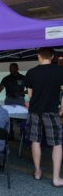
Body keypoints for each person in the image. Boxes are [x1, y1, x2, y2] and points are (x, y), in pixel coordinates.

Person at [25, 47, 63, 187]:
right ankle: (56, 179)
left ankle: (37, 172)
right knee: (57, 143)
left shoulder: (31, 73)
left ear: (38, 56)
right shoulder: (60, 71)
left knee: (36, 141)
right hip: (52, 111)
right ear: (52, 56)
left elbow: (30, 95)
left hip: (35, 111)